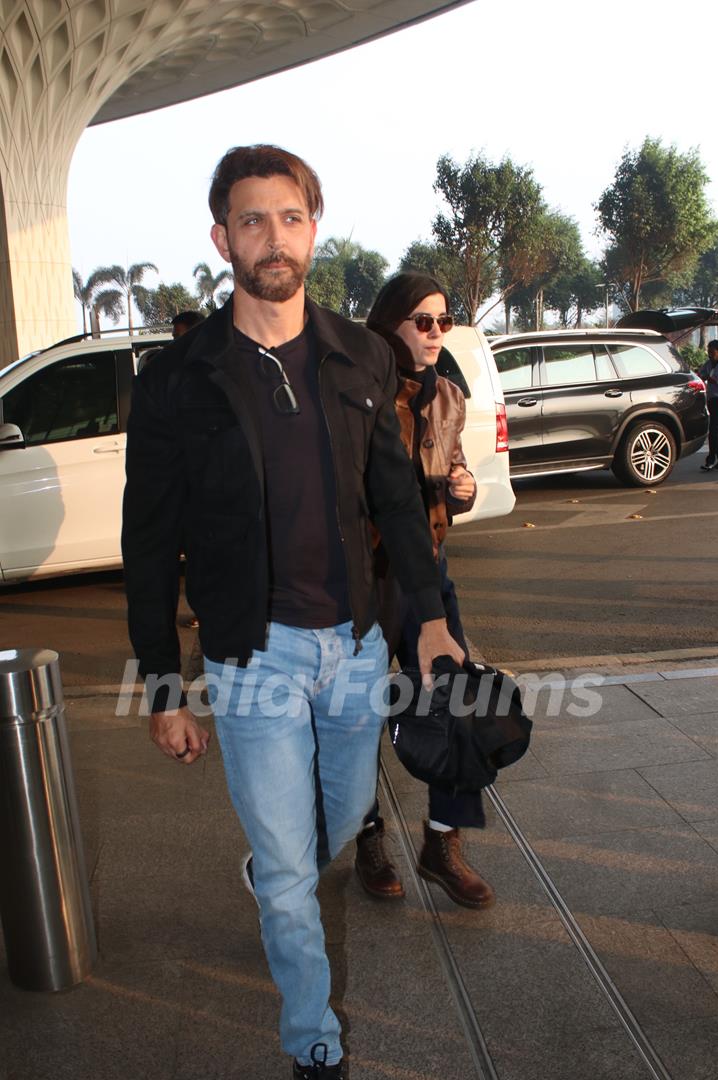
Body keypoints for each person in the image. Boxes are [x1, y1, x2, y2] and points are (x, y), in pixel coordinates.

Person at [121, 145, 464, 1080]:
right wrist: (162, 684)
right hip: (252, 654)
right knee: (288, 875)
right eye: (251, 219)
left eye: (289, 216)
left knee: (342, 816)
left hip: (353, 648)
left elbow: (395, 498)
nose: (272, 237)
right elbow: (148, 541)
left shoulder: (361, 353)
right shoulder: (178, 378)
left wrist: (429, 617)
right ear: (221, 237)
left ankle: (278, 866)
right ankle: (314, 1040)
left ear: (314, 226)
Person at [354, 272, 495, 911]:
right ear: (390, 325)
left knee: (455, 700)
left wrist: (459, 490)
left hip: (427, 575)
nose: (437, 332)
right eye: (423, 321)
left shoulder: (448, 398)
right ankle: (366, 836)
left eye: (443, 320)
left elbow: (450, 471)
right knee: (354, 715)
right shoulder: (356, 395)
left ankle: (443, 842)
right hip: (363, 577)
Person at [699, 339, 718, 471]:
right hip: (712, 400)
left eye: (712, 352)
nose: (709, 355)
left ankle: (711, 459)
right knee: (715, 431)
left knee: (714, 431)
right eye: (708, 352)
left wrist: (708, 378)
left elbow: (715, 380)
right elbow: (700, 375)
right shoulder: (708, 364)